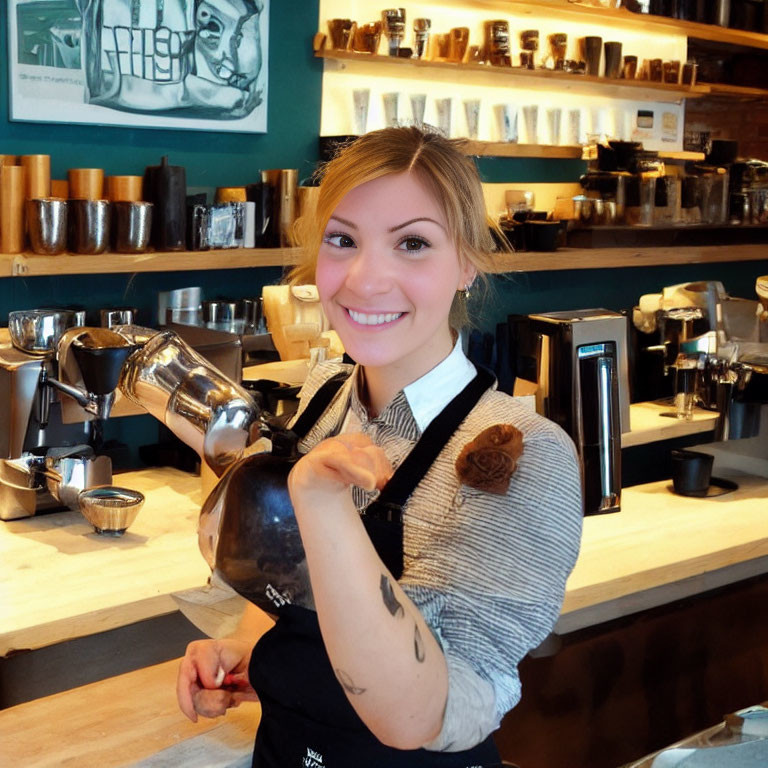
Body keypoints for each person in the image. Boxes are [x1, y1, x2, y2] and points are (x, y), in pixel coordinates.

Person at [177, 126, 583, 767]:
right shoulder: (325, 395)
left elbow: (420, 715)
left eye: (413, 243)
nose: (365, 280)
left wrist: (320, 500)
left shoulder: (528, 454)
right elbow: (300, 586)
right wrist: (246, 648)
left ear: (467, 263)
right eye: (343, 240)